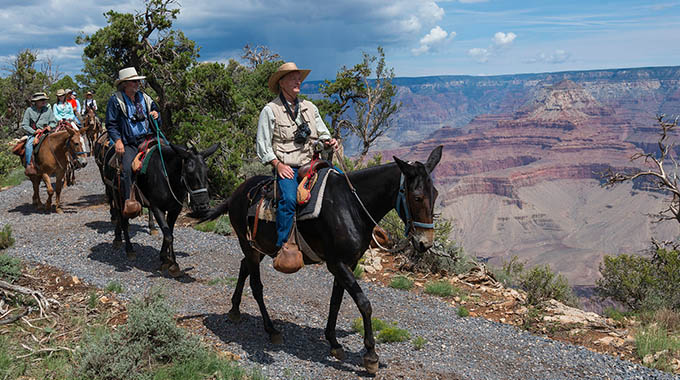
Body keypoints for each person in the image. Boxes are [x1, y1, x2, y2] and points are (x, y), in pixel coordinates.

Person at [256, 62, 339, 253]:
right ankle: (283, 244)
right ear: (282, 83)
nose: (298, 81)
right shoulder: (270, 110)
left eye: (299, 77)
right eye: (293, 78)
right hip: (288, 166)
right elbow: (263, 144)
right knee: (289, 199)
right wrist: (277, 165)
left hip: (311, 162)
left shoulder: (309, 107)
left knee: (342, 182)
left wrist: (329, 141)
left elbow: (322, 132)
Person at [105, 66, 161, 202]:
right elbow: (111, 124)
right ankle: (128, 200)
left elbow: (156, 113)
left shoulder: (145, 98)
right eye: (134, 81)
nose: (137, 84)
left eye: (138, 81)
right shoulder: (115, 100)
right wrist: (118, 141)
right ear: (125, 84)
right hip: (129, 142)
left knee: (167, 159)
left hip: (148, 138)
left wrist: (156, 115)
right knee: (127, 170)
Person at [21, 92, 57, 175]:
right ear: (36, 101)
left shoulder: (48, 110)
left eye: (44, 100)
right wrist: (34, 131)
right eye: (41, 100)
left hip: (47, 132)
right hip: (35, 134)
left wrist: (50, 126)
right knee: (28, 145)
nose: (43, 101)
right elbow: (24, 125)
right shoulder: (29, 110)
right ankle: (29, 165)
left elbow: (53, 122)